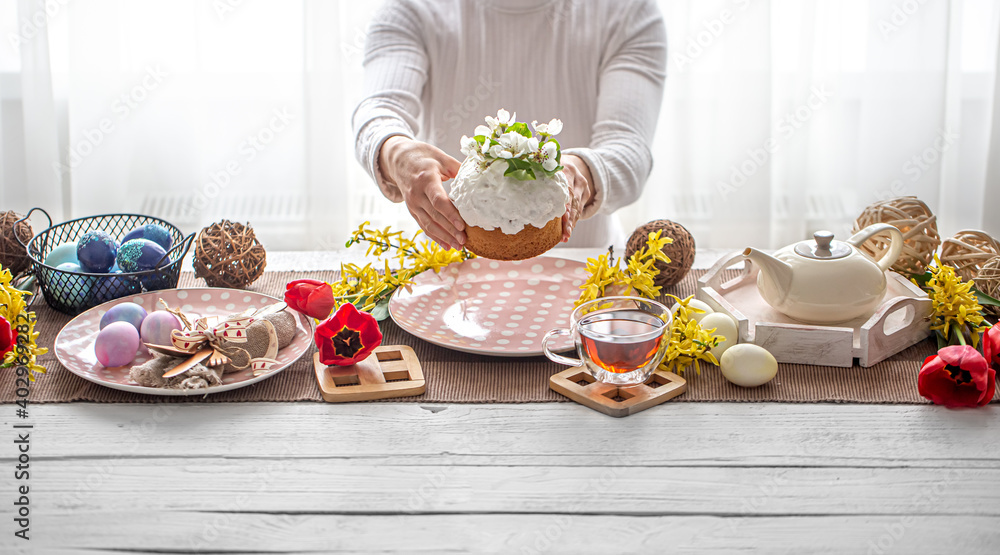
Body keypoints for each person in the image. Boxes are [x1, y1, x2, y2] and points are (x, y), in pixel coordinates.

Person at [353, 0, 667, 251]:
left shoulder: (629, 10)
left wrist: (578, 171)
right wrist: (397, 153)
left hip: (584, 271)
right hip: (451, 274)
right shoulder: (410, 9)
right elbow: (378, 113)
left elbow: (630, 149)